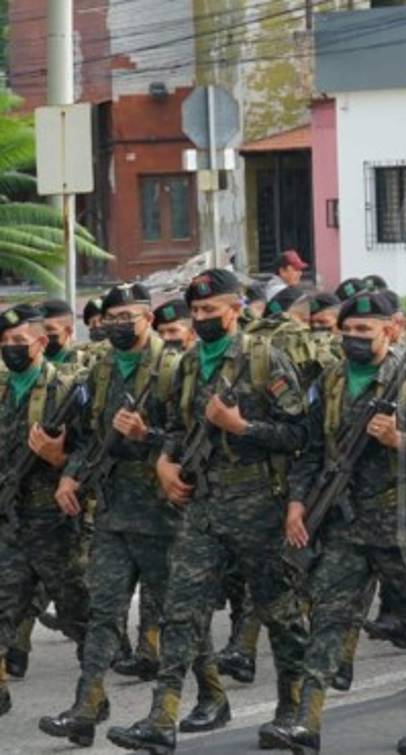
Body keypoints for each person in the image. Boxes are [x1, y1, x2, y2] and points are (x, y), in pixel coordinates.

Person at [106, 269, 310, 754]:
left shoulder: (265, 359)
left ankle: (294, 710)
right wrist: (161, 459)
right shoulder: (190, 363)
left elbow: (300, 435)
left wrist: (241, 427)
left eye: (210, 311)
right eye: (195, 312)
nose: (201, 320)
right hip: (202, 506)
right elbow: (178, 429)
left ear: (236, 309)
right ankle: (162, 719)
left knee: (279, 613)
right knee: (181, 610)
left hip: (258, 505)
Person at [42, 284, 223, 747]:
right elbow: (89, 438)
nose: (118, 325)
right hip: (114, 511)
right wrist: (71, 476)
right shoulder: (99, 368)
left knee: (177, 615)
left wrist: (148, 436)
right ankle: (87, 706)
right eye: (111, 317)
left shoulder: (175, 365)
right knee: (103, 612)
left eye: (127, 317)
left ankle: (212, 695)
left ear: (147, 318)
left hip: (164, 515)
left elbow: (192, 434)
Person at [271, 291, 406, 755]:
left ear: (390, 331)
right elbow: (311, 449)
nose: (353, 339)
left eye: (363, 331)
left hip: (400, 527)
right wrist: (296, 503)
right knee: (328, 619)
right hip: (345, 525)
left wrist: (399, 439)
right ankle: (306, 724)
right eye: (347, 331)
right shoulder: (330, 381)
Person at [0, 303, 90, 720]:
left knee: (77, 615)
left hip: (54, 522)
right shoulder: (1, 389)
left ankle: (92, 699)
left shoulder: (66, 387)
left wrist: (61, 462)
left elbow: (92, 445)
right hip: (10, 521)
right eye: (5, 343)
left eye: (20, 341)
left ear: (41, 342)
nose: (12, 348)